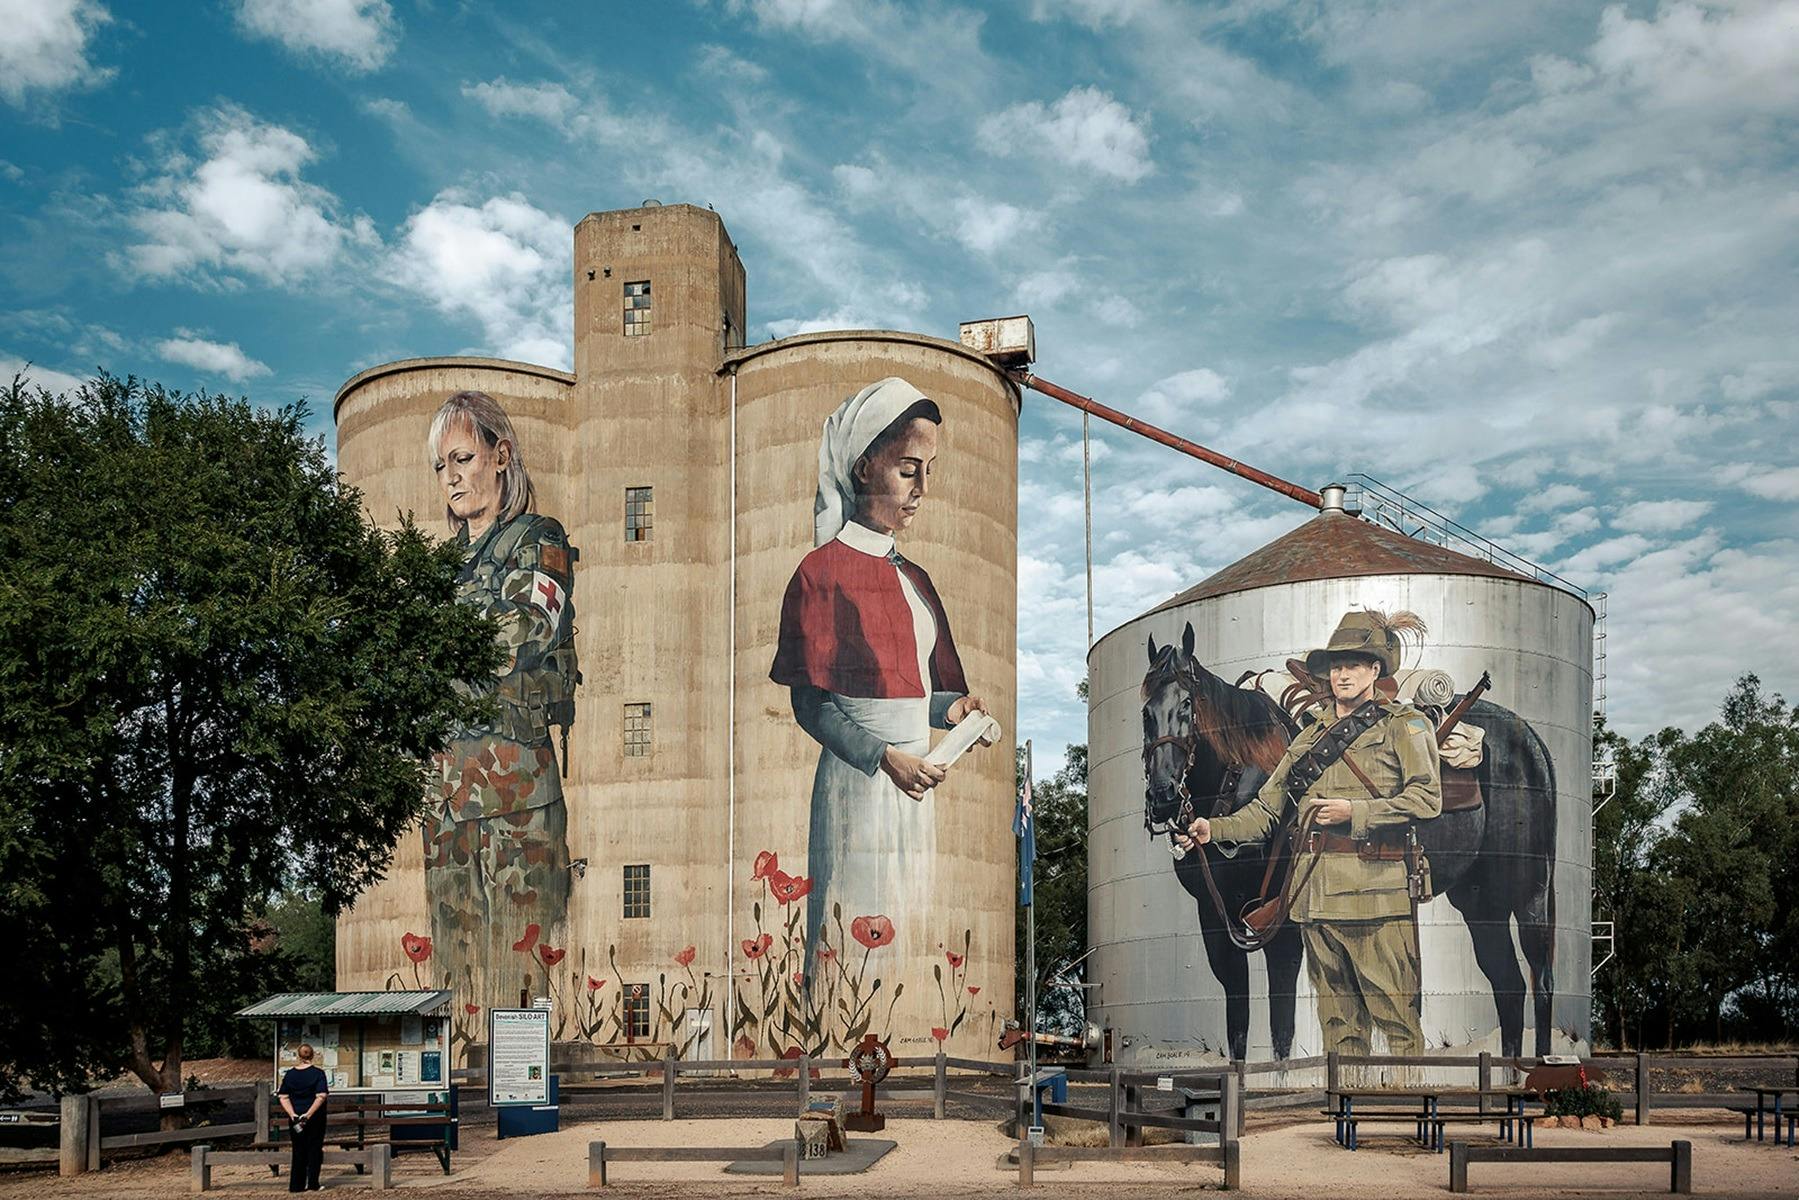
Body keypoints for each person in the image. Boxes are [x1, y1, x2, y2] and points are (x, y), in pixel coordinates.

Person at [770, 377, 992, 983]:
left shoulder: (916, 578)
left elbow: (910, 687)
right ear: (865, 467)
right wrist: (885, 758)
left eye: (930, 470)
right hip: (859, 785)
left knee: (913, 946)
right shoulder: (820, 574)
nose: (923, 490)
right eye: (908, 469)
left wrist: (952, 710)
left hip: (918, 782)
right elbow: (813, 705)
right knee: (853, 946)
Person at [1178, 609, 1442, 1057]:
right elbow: (1265, 811)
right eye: (1336, 666)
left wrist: (1354, 812)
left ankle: (1405, 1118)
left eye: (1353, 665)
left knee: (1396, 1023)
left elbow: (1426, 799)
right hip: (1316, 902)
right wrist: (1211, 828)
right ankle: (1352, 1124)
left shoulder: (1404, 726)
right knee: (1339, 1029)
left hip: (1375, 897)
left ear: (1375, 669)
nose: (1342, 674)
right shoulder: (1306, 740)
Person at [423, 391, 580, 1013]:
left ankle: (523, 1108)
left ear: (502, 455)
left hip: (518, 798)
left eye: (463, 457)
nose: (452, 476)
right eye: (441, 466)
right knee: (454, 980)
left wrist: (444, 648)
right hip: (448, 804)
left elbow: (524, 632)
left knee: (521, 974)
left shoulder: (539, 541)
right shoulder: (438, 567)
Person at [278, 1043, 329, 1192]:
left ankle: (296, 1185)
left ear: (298, 1056)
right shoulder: (318, 1074)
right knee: (314, 1148)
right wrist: (308, 1115)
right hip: (314, 1119)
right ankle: (313, 1183)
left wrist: (293, 1114)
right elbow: (321, 1096)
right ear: (312, 1055)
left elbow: (283, 1096)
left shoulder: (290, 1074)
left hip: (295, 1119)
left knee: (298, 1149)